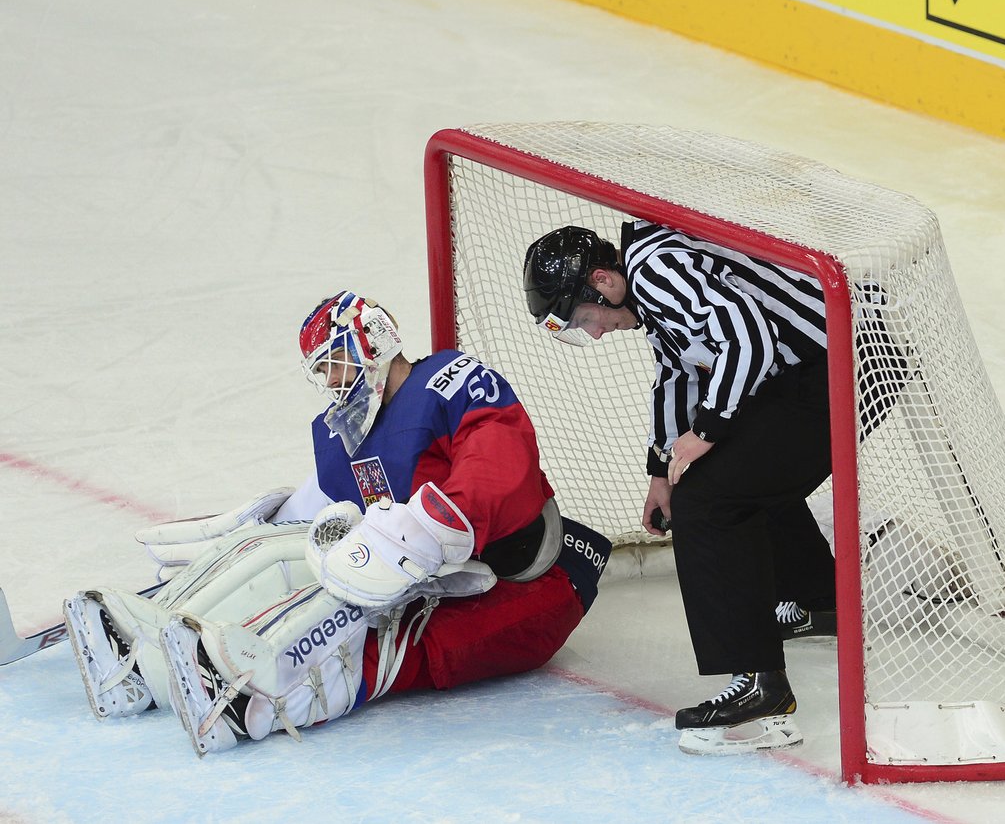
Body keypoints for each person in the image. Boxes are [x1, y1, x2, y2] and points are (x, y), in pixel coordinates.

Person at [64, 289, 610, 755]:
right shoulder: (343, 430)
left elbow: (499, 461)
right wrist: (250, 537)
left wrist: (428, 527)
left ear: (372, 337)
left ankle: (247, 701)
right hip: (448, 578)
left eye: (334, 359)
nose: (331, 379)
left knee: (369, 622)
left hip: (532, 584)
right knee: (272, 553)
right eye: (321, 370)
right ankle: (146, 649)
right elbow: (314, 515)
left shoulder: (448, 379)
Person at [522, 223, 838, 755]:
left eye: (584, 317)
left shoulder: (656, 269)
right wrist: (660, 471)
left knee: (709, 501)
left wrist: (707, 431)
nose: (594, 332)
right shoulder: (648, 285)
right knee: (734, 477)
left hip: (844, 364)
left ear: (604, 280)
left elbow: (748, 338)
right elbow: (679, 373)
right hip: (826, 363)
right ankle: (819, 602)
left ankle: (761, 686)